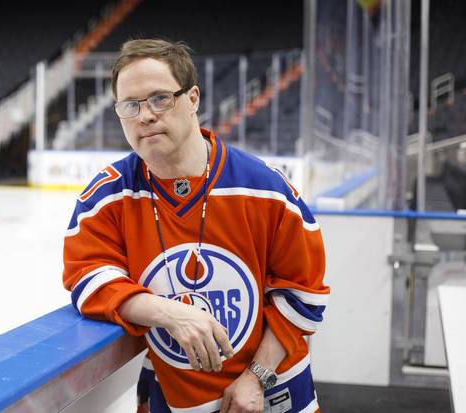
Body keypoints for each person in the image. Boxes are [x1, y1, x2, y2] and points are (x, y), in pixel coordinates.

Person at [63, 38, 329, 413]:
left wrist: (257, 376)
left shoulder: (265, 189)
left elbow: (305, 293)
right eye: (130, 105)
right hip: (173, 399)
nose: (145, 116)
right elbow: (86, 276)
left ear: (193, 99)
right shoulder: (107, 196)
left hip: (273, 393)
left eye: (160, 98)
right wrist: (169, 312)